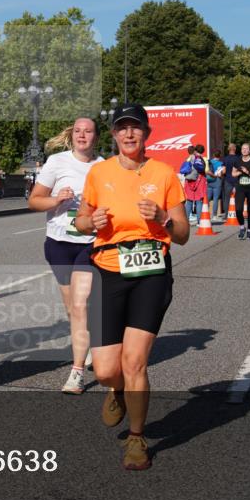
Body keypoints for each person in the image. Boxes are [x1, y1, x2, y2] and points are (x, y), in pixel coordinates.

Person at [74, 104, 190, 471]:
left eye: (135, 129)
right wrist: (89, 221)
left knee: (135, 360)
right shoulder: (99, 172)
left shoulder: (164, 173)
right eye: (122, 128)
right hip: (109, 269)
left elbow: (184, 234)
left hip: (152, 271)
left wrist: (163, 218)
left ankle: (138, 438)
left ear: (147, 133)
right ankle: (118, 390)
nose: (129, 135)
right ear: (113, 135)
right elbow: (80, 220)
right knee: (108, 369)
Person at [27, 117, 103, 394]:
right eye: (78, 131)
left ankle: (77, 372)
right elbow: (34, 201)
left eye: (89, 131)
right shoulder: (57, 162)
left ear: (96, 136)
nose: (83, 135)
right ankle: (91, 346)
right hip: (59, 243)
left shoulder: (104, 167)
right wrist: (57, 200)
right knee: (73, 308)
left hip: (90, 243)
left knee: (81, 305)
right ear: (72, 135)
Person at [232, 143, 250, 240]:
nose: (244, 150)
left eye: (246, 149)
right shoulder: (237, 161)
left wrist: (247, 172)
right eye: (243, 148)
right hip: (240, 188)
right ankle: (242, 227)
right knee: (238, 209)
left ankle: (249, 230)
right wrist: (240, 172)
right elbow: (233, 174)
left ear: (249, 150)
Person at [179, 145, 206, 223]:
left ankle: (186, 221)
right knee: (198, 201)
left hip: (189, 181)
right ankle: (199, 221)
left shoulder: (189, 158)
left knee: (189, 201)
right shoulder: (200, 159)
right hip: (199, 180)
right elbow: (204, 170)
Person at [221, 143, 240, 220]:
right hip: (237, 180)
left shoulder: (225, 159)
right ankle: (236, 214)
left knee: (227, 198)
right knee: (238, 198)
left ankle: (226, 215)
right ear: (234, 149)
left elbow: (224, 171)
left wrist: (221, 174)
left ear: (228, 149)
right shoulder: (239, 158)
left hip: (227, 180)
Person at [206, 149, 225, 218]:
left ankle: (204, 213)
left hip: (209, 181)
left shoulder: (209, 162)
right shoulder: (221, 163)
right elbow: (222, 172)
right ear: (220, 155)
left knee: (207, 198)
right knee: (215, 199)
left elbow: (206, 170)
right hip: (217, 180)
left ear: (213, 155)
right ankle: (214, 215)